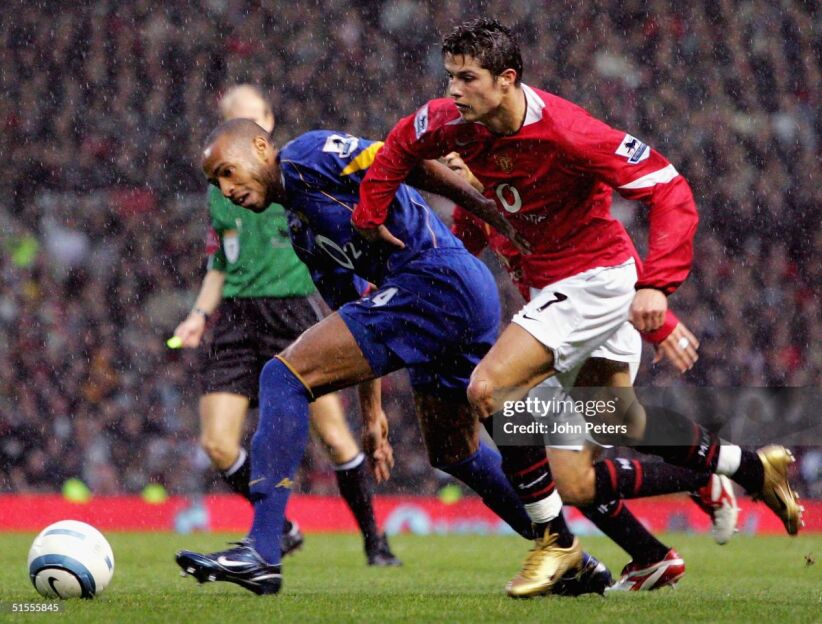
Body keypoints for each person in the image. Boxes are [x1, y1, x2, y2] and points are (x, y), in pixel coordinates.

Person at [355, 17, 802, 588]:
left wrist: (657, 287)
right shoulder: (460, 140)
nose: (453, 91)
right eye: (450, 77)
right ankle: (747, 469)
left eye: (467, 79)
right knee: (590, 460)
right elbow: (401, 147)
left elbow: (668, 186)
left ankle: (556, 545)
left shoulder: (567, 131)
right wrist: (369, 218)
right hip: (569, 299)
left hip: (596, 281)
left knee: (490, 390)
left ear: (506, 80)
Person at [176, 120, 601, 598]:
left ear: (260, 146)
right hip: (449, 297)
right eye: (215, 182)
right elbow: (352, 316)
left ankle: (262, 549)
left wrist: (486, 209)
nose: (226, 189)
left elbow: (403, 161)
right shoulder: (302, 231)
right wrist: (372, 412)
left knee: (282, 376)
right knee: (454, 452)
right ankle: (564, 553)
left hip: (434, 280)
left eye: (228, 172)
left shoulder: (307, 155)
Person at [445, 152, 738, 590]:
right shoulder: (474, 208)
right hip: (556, 332)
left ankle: (700, 474)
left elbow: (610, 249)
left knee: (563, 459)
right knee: (558, 471)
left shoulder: (529, 186)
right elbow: (456, 258)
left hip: (593, 326)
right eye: (446, 153)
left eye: (461, 152)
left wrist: (661, 325)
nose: (450, 158)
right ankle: (653, 553)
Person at [172, 84, 399, 566]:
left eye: (250, 116)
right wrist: (198, 315)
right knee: (216, 443)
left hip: (293, 312)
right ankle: (279, 528)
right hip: (236, 318)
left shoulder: (292, 178)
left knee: (334, 436)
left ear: (267, 125)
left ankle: (375, 542)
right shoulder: (221, 194)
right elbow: (220, 263)